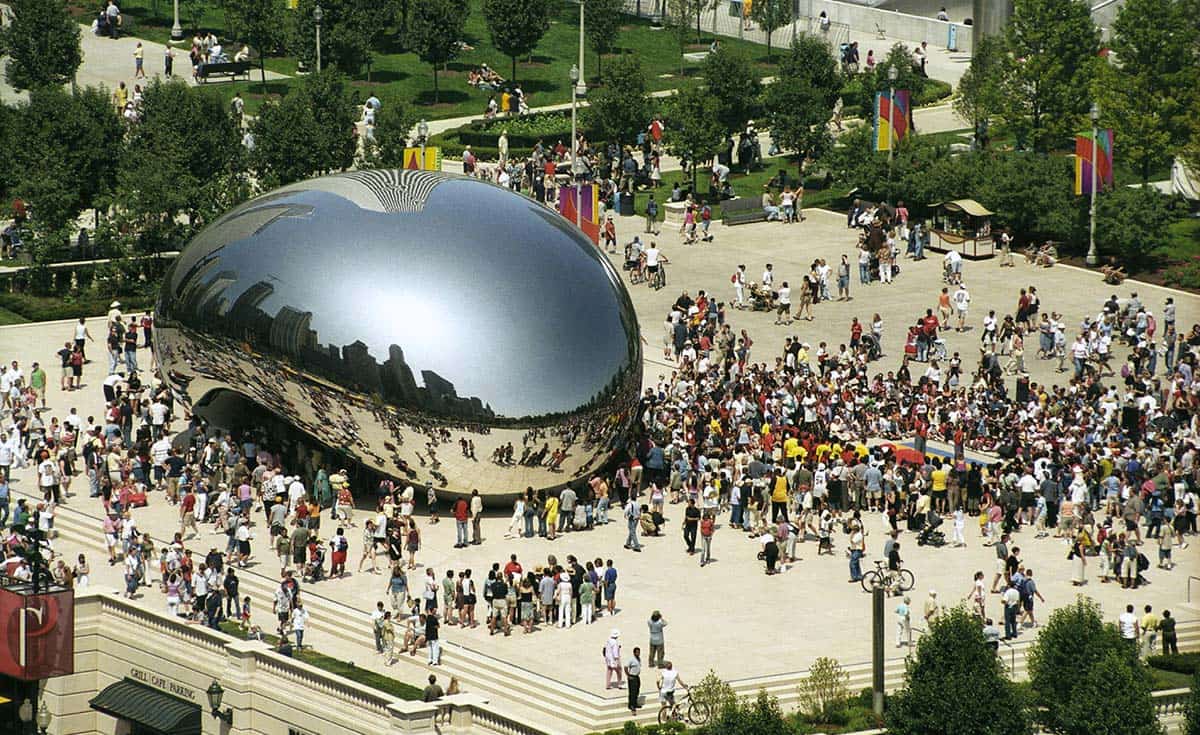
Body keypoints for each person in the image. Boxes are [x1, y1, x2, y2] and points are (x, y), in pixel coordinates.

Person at [625, 646, 642, 713]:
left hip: (637, 677)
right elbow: (626, 667)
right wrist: (628, 675)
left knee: (637, 691)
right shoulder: (631, 659)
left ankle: (635, 703)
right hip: (632, 677)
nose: (638, 653)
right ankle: (631, 705)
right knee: (632, 692)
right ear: (634, 653)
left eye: (639, 652)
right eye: (637, 652)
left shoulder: (639, 659)